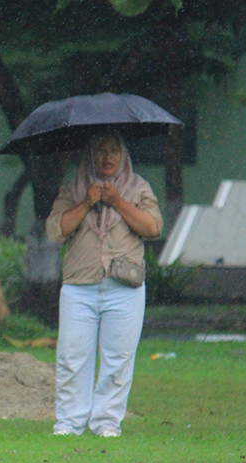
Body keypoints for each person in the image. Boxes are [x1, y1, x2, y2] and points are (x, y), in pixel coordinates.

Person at [45, 129, 162, 438]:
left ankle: (107, 422)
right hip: (78, 286)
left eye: (114, 151)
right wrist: (87, 202)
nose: (107, 157)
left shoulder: (139, 188)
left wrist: (117, 201)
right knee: (72, 356)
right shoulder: (73, 189)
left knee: (118, 359)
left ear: (123, 156)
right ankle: (69, 422)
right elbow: (56, 231)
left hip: (125, 288)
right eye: (100, 151)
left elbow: (152, 228)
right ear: (90, 156)